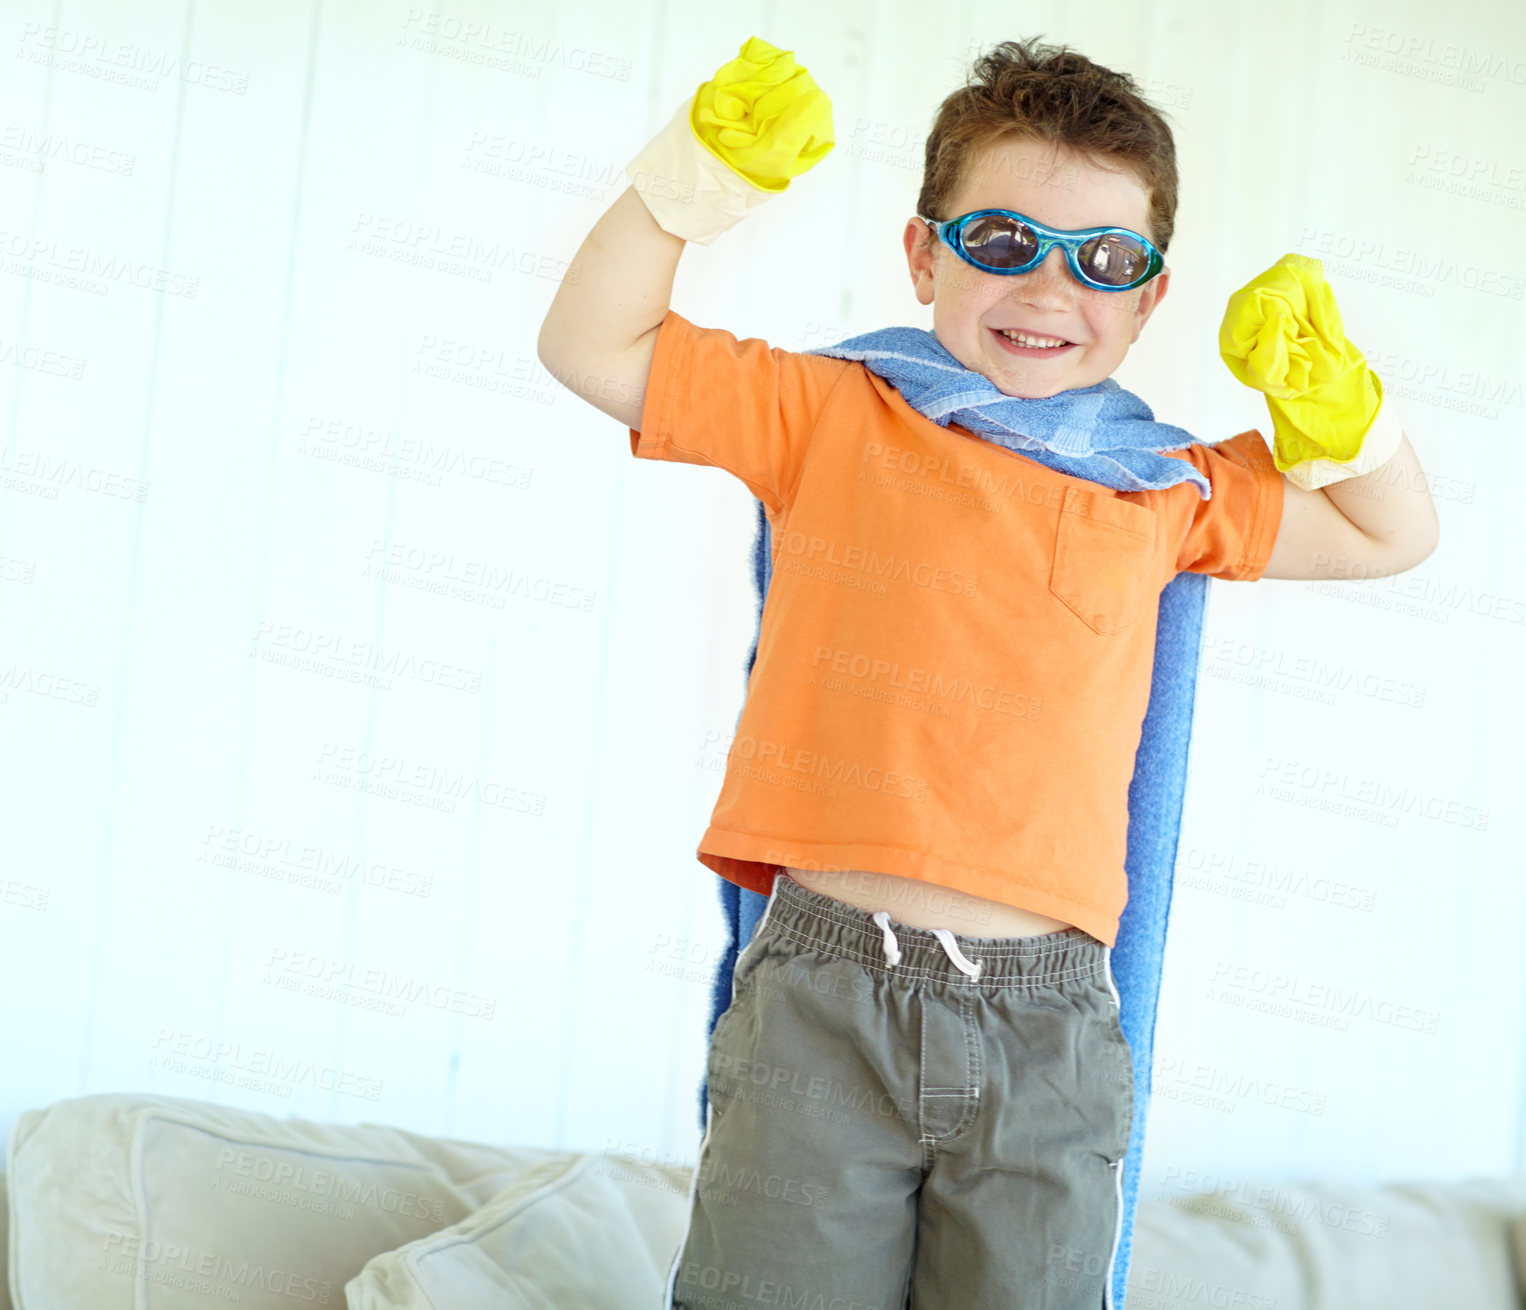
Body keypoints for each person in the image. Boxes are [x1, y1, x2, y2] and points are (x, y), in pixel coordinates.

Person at [538, 34, 1439, 1310]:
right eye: (1002, 241)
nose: (1050, 288)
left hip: (1049, 1024)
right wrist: (685, 187)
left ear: (1147, 302)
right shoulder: (832, 411)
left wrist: (1348, 416)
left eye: (1104, 261)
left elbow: (1387, 534)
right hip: (823, 994)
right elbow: (589, 344)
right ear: (923, 254)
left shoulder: (1162, 485)